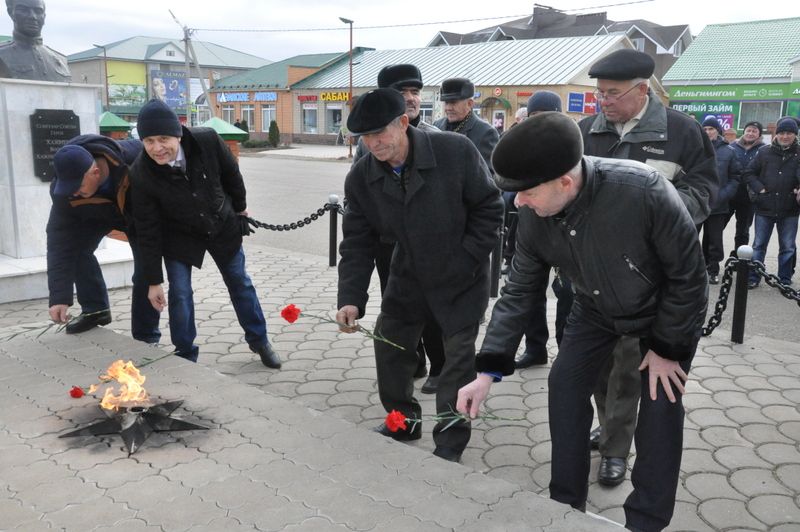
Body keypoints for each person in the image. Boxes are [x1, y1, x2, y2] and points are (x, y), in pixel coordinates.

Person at [457, 111, 707, 532]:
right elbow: (519, 290)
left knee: (661, 408)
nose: (517, 202)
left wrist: (667, 351)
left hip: (662, 316)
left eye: (525, 192)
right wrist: (487, 370)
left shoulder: (643, 191)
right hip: (593, 310)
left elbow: (689, 278)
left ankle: (646, 520)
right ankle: (565, 504)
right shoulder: (535, 215)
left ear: (565, 183)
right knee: (564, 385)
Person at [336, 88, 503, 463]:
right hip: (408, 275)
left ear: (404, 123)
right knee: (390, 347)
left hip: (461, 276)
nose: (373, 143)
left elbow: (490, 207)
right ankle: (402, 422)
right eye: (364, 136)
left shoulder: (455, 152)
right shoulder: (362, 176)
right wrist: (350, 297)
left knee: (456, 363)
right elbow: (357, 241)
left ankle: (449, 441)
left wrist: (467, 258)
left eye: (380, 133)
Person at [577, 48, 717, 487]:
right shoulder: (584, 132)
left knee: (627, 367)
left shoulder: (682, 132)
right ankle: (612, 425)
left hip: (651, 279)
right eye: (599, 93)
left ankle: (617, 448)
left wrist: (655, 216)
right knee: (599, 366)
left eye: (613, 94)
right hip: (594, 277)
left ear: (643, 91)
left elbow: (704, 191)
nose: (603, 102)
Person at [129, 99, 281, 368]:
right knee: (181, 293)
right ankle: (185, 354)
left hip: (219, 222)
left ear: (178, 133)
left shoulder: (207, 140)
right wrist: (153, 281)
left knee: (239, 282)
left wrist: (241, 208)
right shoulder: (141, 173)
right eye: (149, 141)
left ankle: (260, 340)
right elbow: (147, 229)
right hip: (178, 235)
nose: (157, 148)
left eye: (163, 138)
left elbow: (231, 173)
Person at [352, 64, 445, 394]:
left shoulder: (438, 138)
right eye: (402, 93)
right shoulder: (369, 143)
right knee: (396, 304)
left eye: (415, 92)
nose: (411, 99)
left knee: (434, 309)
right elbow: (361, 196)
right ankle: (412, 359)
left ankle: (440, 365)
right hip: (388, 246)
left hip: (431, 247)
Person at [46, 137, 160, 343]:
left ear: (95, 172)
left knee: (144, 272)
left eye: (78, 187)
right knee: (77, 248)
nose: (74, 193)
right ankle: (95, 309)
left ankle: (146, 336)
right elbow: (59, 241)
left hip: (138, 215)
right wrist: (59, 298)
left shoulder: (134, 160)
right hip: (97, 213)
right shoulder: (65, 192)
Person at [503, 90, 574, 369]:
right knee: (529, 292)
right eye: (534, 116)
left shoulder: (572, 146)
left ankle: (567, 351)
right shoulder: (518, 148)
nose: (540, 122)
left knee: (567, 293)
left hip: (565, 233)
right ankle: (535, 348)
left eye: (547, 116)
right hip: (529, 229)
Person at [744, 116, 800, 288]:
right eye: (782, 133)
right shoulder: (764, 152)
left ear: (795, 135)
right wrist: (760, 189)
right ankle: (754, 276)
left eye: (789, 133)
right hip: (765, 208)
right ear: (776, 134)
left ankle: (784, 278)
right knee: (759, 245)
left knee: (788, 247)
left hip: (789, 209)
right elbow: (749, 173)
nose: (785, 136)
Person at [699, 116, 742, 284]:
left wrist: (723, 195)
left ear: (718, 131)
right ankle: (694, 267)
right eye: (705, 129)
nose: (708, 132)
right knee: (688, 236)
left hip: (718, 203)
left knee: (714, 239)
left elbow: (735, 177)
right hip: (696, 201)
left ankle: (712, 270)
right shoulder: (694, 148)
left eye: (711, 129)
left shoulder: (729, 151)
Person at [433, 77, 499, 171]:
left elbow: (488, 175)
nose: (448, 108)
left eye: (453, 103)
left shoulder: (486, 132)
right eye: (446, 103)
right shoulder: (437, 126)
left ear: (470, 104)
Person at [0, 0, 69, 81]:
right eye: (24, 10)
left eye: (38, 11)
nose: (33, 16)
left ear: (44, 16)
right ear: (11, 13)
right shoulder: (2, 54)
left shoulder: (62, 59)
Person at [729, 121, 766, 250]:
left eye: (754, 131)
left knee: (743, 231)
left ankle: (739, 259)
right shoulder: (732, 147)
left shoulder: (763, 150)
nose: (750, 133)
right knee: (717, 227)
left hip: (749, 199)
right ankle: (710, 259)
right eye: (748, 130)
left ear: (759, 134)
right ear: (744, 132)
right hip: (730, 195)